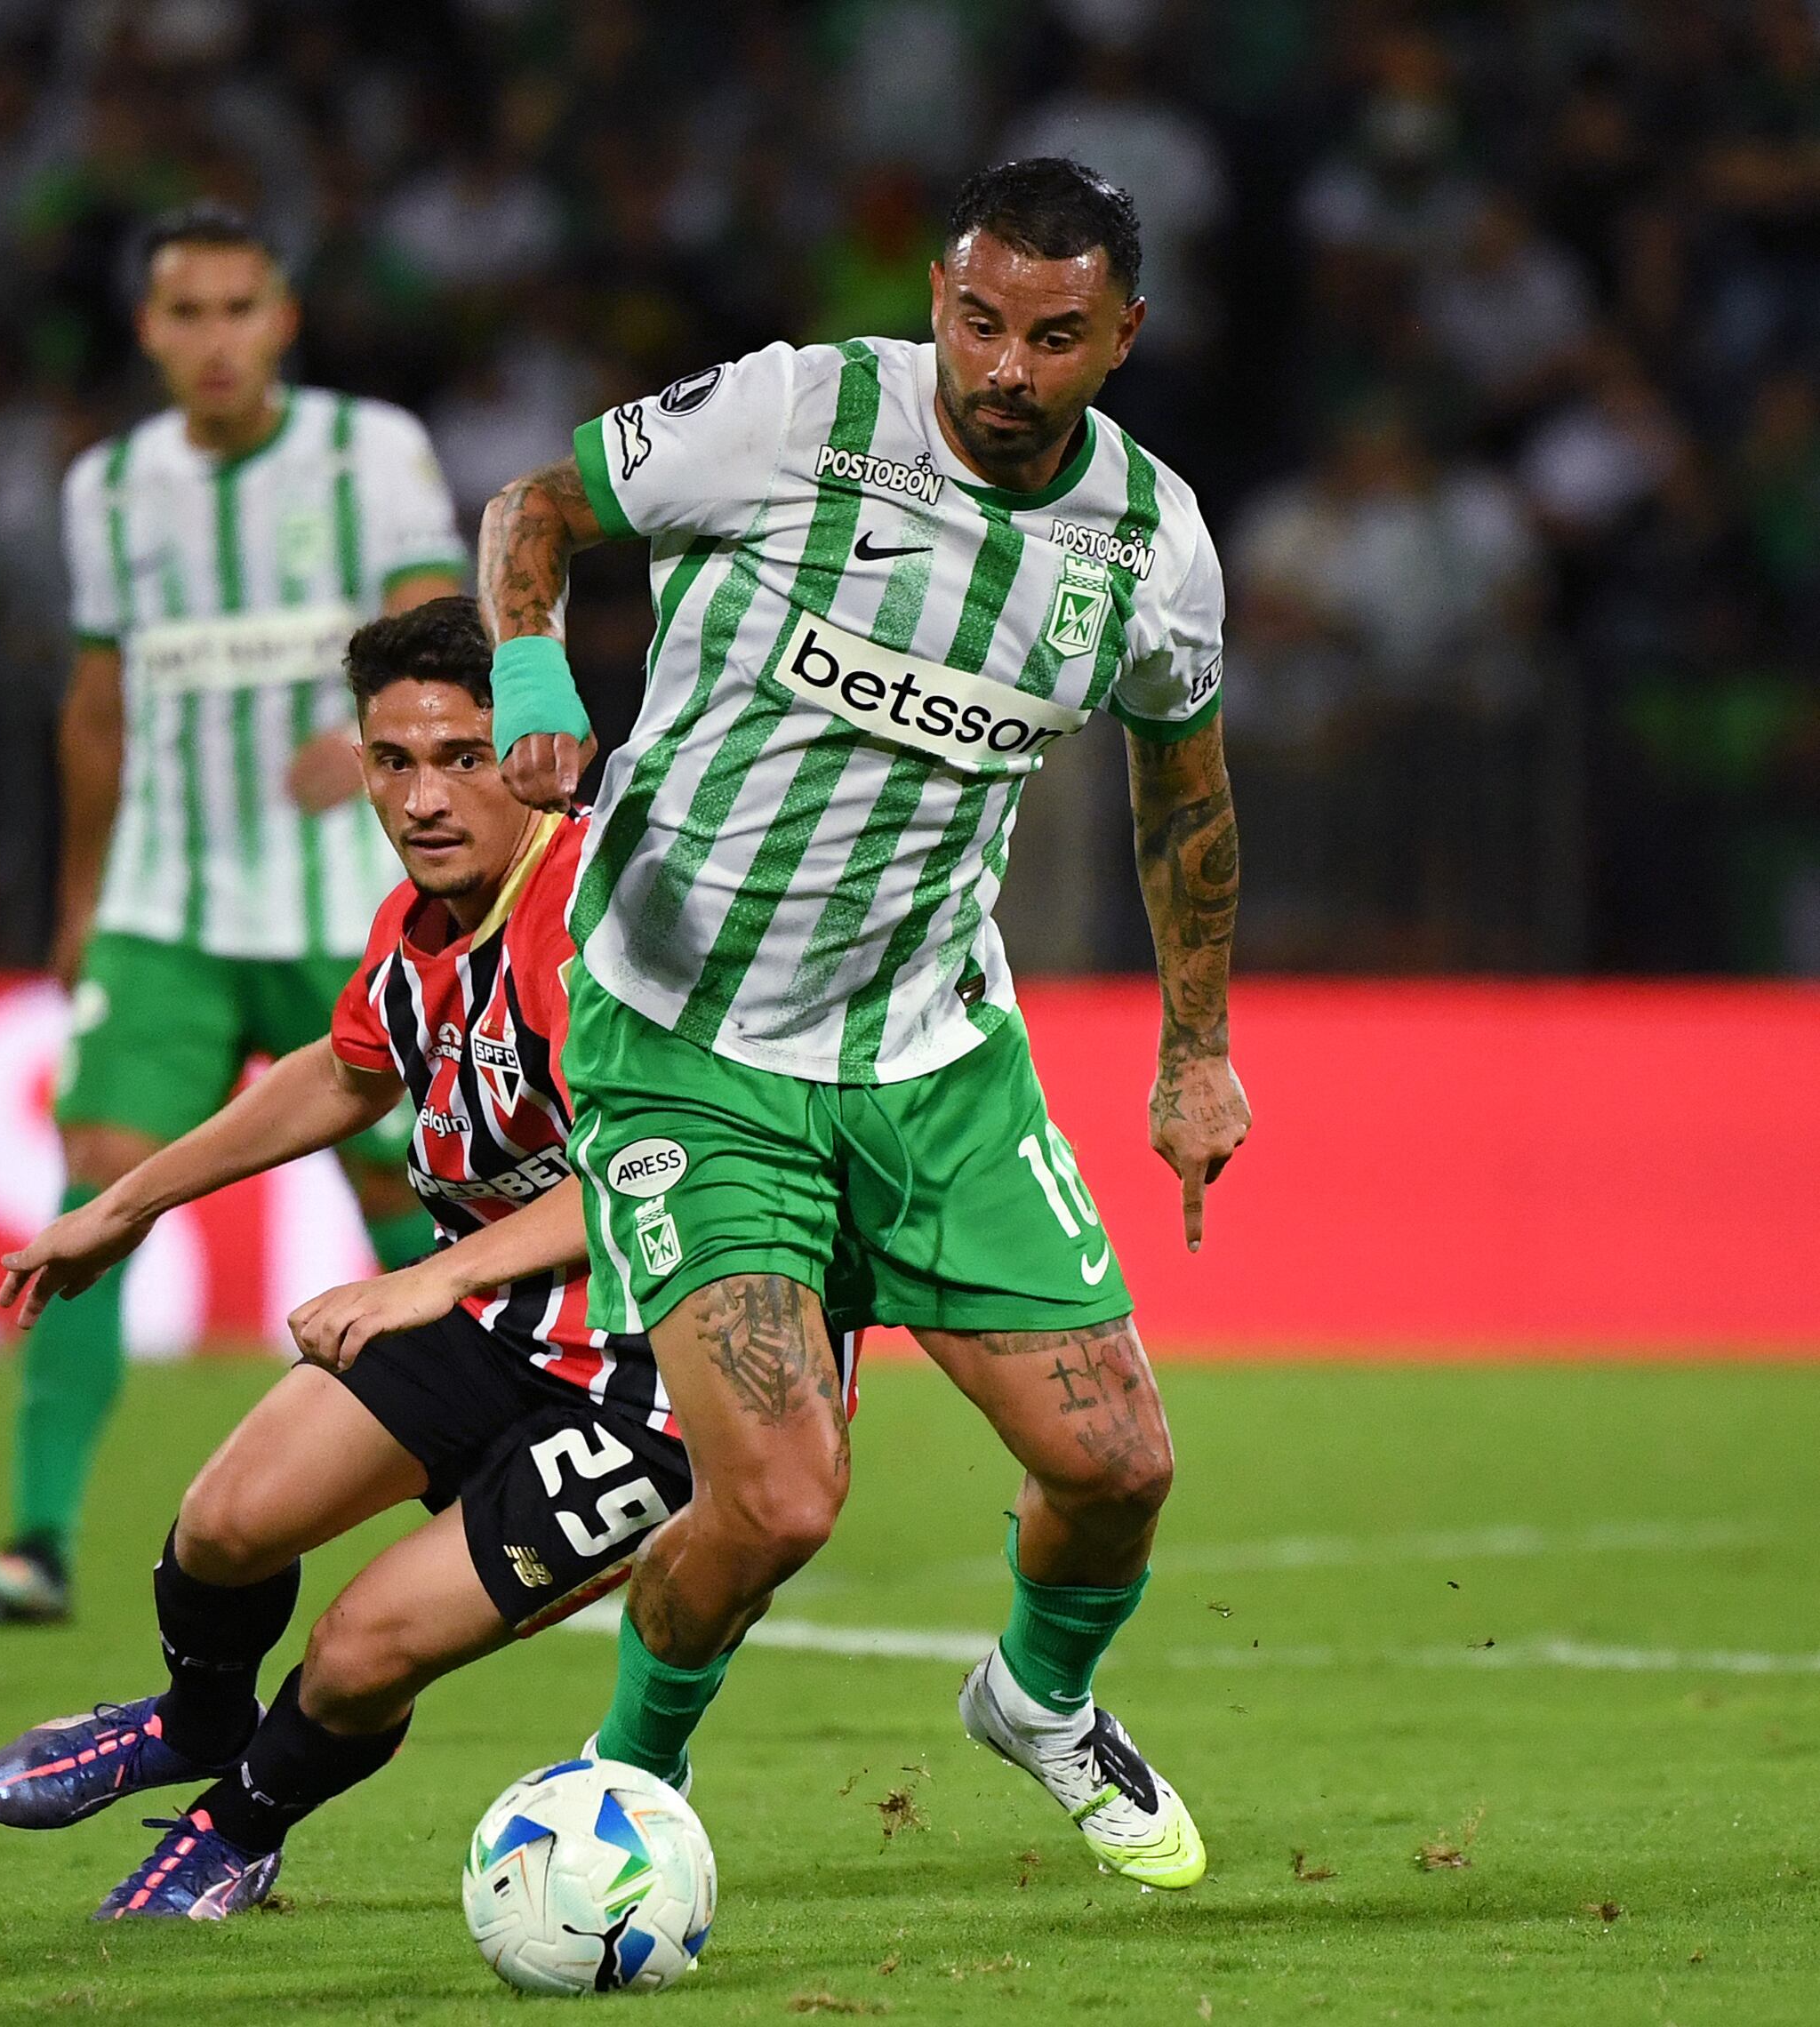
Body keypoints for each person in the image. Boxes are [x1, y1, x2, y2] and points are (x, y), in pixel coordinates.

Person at [474, 158, 1249, 1889]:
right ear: (935, 297)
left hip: (932, 1058)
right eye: (976, 321)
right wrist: (534, 683)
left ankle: (1036, 1703)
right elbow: (537, 509)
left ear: (1123, 335)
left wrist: (1193, 1048)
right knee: (775, 1504)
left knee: (1118, 1463)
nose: (1004, 368)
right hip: (692, 1042)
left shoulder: (1149, 541)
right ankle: (618, 1794)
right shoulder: (795, 417)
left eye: (1054, 337)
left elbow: (1181, 795)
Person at [0, 597, 730, 1918]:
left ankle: (237, 1823)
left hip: (651, 1377)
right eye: (394, 762)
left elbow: (654, 1162)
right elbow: (346, 1066)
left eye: (464, 757)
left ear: (531, 755)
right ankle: (202, 1720)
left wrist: (426, 1277)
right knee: (223, 1524)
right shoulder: (423, 917)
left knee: (363, 1648)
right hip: (497, 1320)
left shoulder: (593, 920)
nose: (426, 797)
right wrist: (131, 1203)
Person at [0, 203, 467, 1625]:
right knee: (99, 1180)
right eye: (187, 313)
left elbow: (438, 636)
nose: (215, 339)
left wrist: (370, 733)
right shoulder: (107, 485)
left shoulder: (374, 453)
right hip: (164, 905)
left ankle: (494, 1468)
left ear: (283, 319)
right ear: (148, 330)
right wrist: (78, 895)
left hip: (344, 904)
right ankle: (38, 1541)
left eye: (240, 308)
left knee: (416, 1191)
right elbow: (97, 710)